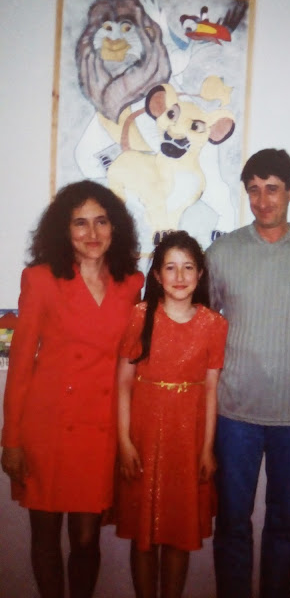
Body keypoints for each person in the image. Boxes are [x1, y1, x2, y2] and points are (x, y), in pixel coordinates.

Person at [206, 148, 290, 598]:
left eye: (272, 189)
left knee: (283, 523)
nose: (262, 200)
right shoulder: (222, 252)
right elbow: (200, 326)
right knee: (232, 523)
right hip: (234, 414)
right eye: (253, 190)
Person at [1, 180, 143, 598]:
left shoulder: (131, 283)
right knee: (45, 537)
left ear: (115, 228)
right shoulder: (40, 279)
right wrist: (11, 440)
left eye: (101, 221)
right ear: (64, 231)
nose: (92, 233)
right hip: (47, 428)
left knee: (86, 539)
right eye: (80, 223)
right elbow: (21, 365)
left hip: (99, 429)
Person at [115, 230, 228, 598]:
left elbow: (210, 389)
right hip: (144, 437)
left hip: (187, 440)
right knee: (144, 535)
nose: (180, 276)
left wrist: (207, 449)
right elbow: (123, 384)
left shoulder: (214, 324)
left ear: (200, 274)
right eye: (170, 268)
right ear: (157, 275)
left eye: (188, 267)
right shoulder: (140, 316)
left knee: (179, 532)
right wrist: (124, 442)